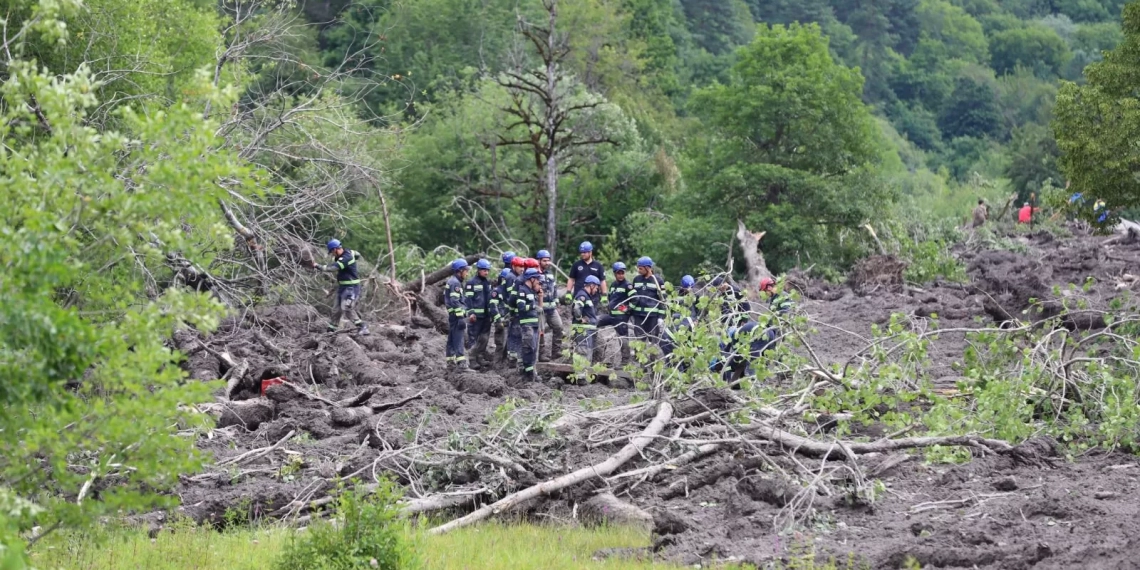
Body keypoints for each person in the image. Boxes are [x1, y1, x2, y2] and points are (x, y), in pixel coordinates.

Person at [313, 239, 369, 336]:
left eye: (331, 252)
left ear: (335, 249)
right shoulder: (348, 253)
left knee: (347, 308)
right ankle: (331, 330)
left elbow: (334, 268)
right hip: (343, 287)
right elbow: (357, 254)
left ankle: (363, 327)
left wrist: (318, 266)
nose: (332, 254)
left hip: (351, 287)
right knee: (336, 309)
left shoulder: (346, 258)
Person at [597, 262, 634, 365]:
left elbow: (635, 300)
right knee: (594, 321)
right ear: (614, 274)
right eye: (618, 273)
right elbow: (611, 298)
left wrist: (627, 309)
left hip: (621, 317)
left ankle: (625, 362)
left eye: (622, 273)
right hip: (611, 315)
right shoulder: (613, 285)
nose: (621, 275)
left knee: (623, 337)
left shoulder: (628, 285)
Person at [536, 250, 565, 361]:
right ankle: (541, 354)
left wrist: (556, 301)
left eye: (548, 260)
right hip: (541, 309)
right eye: (544, 261)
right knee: (541, 332)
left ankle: (556, 352)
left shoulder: (550, 274)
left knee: (559, 327)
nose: (547, 263)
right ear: (538, 261)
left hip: (552, 309)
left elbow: (554, 289)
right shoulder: (535, 275)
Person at [465, 259, 494, 370]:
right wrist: (471, 313)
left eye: (487, 270)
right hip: (476, 317)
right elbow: (468, 299)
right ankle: (472, 359)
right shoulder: (471, 283)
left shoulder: (487, 283)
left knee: (484, 338)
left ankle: (480, 356)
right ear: (478, 270)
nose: (486, 272)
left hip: (486, 316)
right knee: (473, 338)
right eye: (484, 270)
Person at [516, 267, 544, 380]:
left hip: (534, 324)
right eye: (537, 279)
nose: (538, 281)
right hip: (527, 324)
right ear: (531, 279)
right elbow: (521, 307)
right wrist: (533, 306)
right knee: (528, 347)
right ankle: (527, 372)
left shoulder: (532, 291)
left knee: (533, 349)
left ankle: (531, 371)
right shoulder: (522, 291)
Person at [630, 257, 666, 345]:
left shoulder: (658, 281)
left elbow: (663, 300)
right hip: (638, 316)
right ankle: (639, 358)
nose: (638, 270)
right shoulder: (636, 280)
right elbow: (632, 297)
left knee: (653, 341)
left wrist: (661, 317)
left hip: (652, 316)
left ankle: (653, 359)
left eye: (640, 268)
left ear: (648, 268)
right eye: (638, 268)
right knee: (639, 340)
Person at [490, 252, 516, 365]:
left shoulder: (506, 293)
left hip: (507, 318)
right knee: (500, 343)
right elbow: (493, 306)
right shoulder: (497, 291)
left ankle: (503, 362)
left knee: (508, 342)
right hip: (500, 320)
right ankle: (496, 364)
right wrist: (498, 320)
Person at [444, 259, 470, 370]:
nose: (467, 273)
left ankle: (450, 361)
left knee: (451, 338)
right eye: (466, 270)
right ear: (460, 271)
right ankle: (461, 363)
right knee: (458, 338)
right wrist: (460, 316)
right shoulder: (455, 283)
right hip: (456, 315)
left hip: (453, 315)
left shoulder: (453, 281)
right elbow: (455, 300)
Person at [571, 275, 602, 363]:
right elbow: (577, 308)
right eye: (596, 287)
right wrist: (580, 319)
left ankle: (585, 373)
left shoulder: (586, 296)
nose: (596, 290)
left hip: (587, 330)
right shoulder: (582, 295)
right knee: (583, 351)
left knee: (587, 351)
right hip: (583, 330)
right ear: (591, 285)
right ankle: (581, 375)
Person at [505, 256, 528, 365]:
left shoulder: (516, 276)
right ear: (513, 266)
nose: (522, 269)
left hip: (515, 309)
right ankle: (512, 358)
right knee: (514, 333)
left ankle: (511, 355)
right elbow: (512, 296)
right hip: (513, 310)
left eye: (523, 266)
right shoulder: (511, 277)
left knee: (514, 333)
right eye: (520, 266)